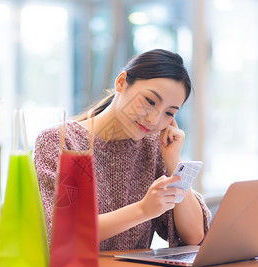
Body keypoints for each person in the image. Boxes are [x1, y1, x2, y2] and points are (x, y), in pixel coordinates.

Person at [34, 49, 211, 251]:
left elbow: (194, 236)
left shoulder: (154, 147)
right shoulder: (61, 142)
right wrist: (143, 210)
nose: (154, 120)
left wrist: (173, 161)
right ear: (121, 82)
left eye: (168, 113)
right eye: (150, 101)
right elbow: (64, 231)